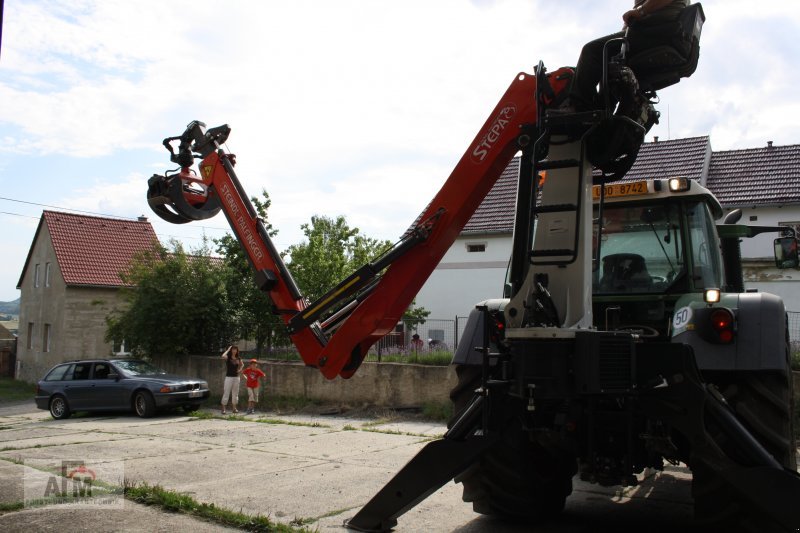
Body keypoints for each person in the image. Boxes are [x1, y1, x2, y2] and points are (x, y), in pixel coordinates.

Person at [564, 0, 690, 112]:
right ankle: (601, 118)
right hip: (657, 32)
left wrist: (640, 11)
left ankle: (578, 108)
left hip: (656, 32)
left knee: (591, 51)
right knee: (607, 66)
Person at [220, 345, 243, 415]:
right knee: (226, 392)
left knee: (235, 393)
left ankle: (234, 408)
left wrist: (240, 369)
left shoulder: (238, 358)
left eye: (235, 349)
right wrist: (227, 350)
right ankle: (223, 409)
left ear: (237, 350)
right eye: (233, 349)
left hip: (236, 377)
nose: (234, 351)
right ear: (231, 350)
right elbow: (223, 356)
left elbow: (242, 364)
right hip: (229, 377)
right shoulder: (228, 357)